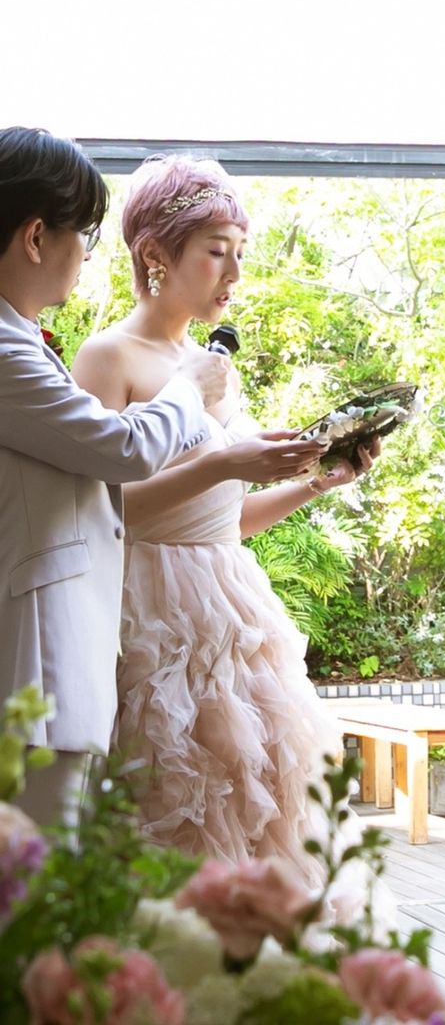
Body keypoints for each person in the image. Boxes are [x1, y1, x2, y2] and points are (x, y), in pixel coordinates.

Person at [71, 155, 374, 894]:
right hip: (145, 612)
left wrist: (317, 480)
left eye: (240, 252)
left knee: (258, 806)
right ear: (155, 255)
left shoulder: (211, 367)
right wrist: (226, 462)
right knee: (169, 806)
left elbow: (225, 521)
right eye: (216, 251)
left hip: (229, 604)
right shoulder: (108, 355)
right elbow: (97, 513)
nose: (234, 272)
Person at [0, 126, 231, 829]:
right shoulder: (6, 351)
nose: (85, 255)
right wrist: (189, 389)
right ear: (35, 237)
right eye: (85, 235)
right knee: (35, 876)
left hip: (56, 672)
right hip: (37, 669)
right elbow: (120, 449)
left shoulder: (20, 339)